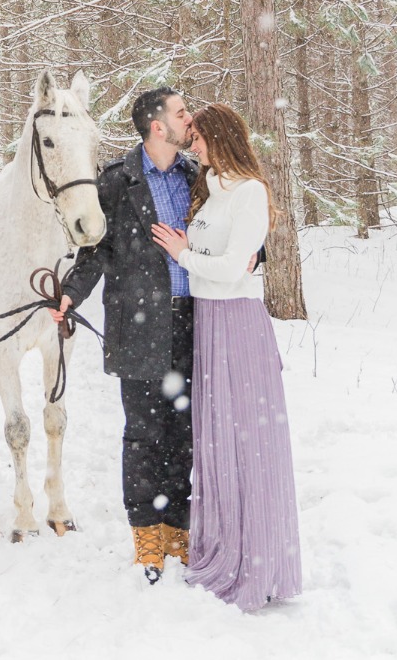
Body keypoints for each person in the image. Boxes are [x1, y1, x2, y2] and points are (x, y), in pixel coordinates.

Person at [152, 102, 302, 612]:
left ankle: (255, 562)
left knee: (248, 442)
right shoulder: (212, 191)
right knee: (217, 440)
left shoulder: (251, 193)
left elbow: (237, 267)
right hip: (209, 325)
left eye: (198, 137)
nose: (192, 145)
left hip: (237, 322)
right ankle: (223, 546)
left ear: (219, 137)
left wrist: (183, 255)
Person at [53, 87, 197, 582]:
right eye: (181, 112)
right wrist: (71, 293)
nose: (189, 117)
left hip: (196, 326)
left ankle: (180, 532)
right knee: (144, 436)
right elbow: (97, 250)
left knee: (185, 436)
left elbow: (227, 235)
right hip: (139, 327)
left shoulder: (196, 177)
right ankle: (148, 541)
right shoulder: (117, 181)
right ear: (158, 127)